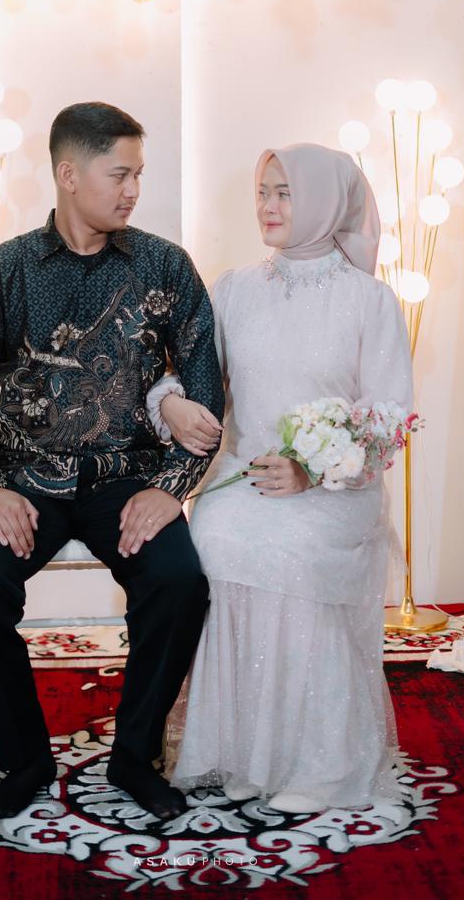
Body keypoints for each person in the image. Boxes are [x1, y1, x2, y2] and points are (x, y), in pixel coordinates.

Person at [0, 102, 224, 823]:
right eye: (119, 174)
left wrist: (171, 489)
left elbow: (205, 388)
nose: (133, 190)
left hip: (127, 479)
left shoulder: (165, 265)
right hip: (23, 479)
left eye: (139, 175)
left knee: (179, 584)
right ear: (68, 174)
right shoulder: (5, 269)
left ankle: (134, 757)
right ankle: (27, 757)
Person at [147, 144, 412, 813]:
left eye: (285, 193)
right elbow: (190, 376)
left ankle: (322, 764)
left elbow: (389, 415)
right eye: (263, 191)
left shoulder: (370, 300)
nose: (267, 206)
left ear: (324, 201)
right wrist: (170, 402)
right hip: (243, 477)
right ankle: (239, 753)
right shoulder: (234, 288)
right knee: (215, 539)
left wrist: (312, 468)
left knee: (292, 551)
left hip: (333, 489)